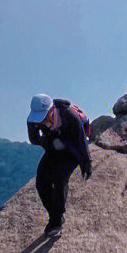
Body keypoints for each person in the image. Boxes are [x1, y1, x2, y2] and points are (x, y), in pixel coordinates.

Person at [26, 94, 92, 239]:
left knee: (60, 180)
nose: (41, 120)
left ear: (52, 109)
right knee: (41, 182)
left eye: (44, 116)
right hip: (54, 145)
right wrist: (50, 142)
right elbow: (34, 139)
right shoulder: (33, 120)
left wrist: (86, 164)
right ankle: (54, 214)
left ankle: (56, 222)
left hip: (71, 148)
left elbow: (81, 141)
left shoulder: (70, 116)